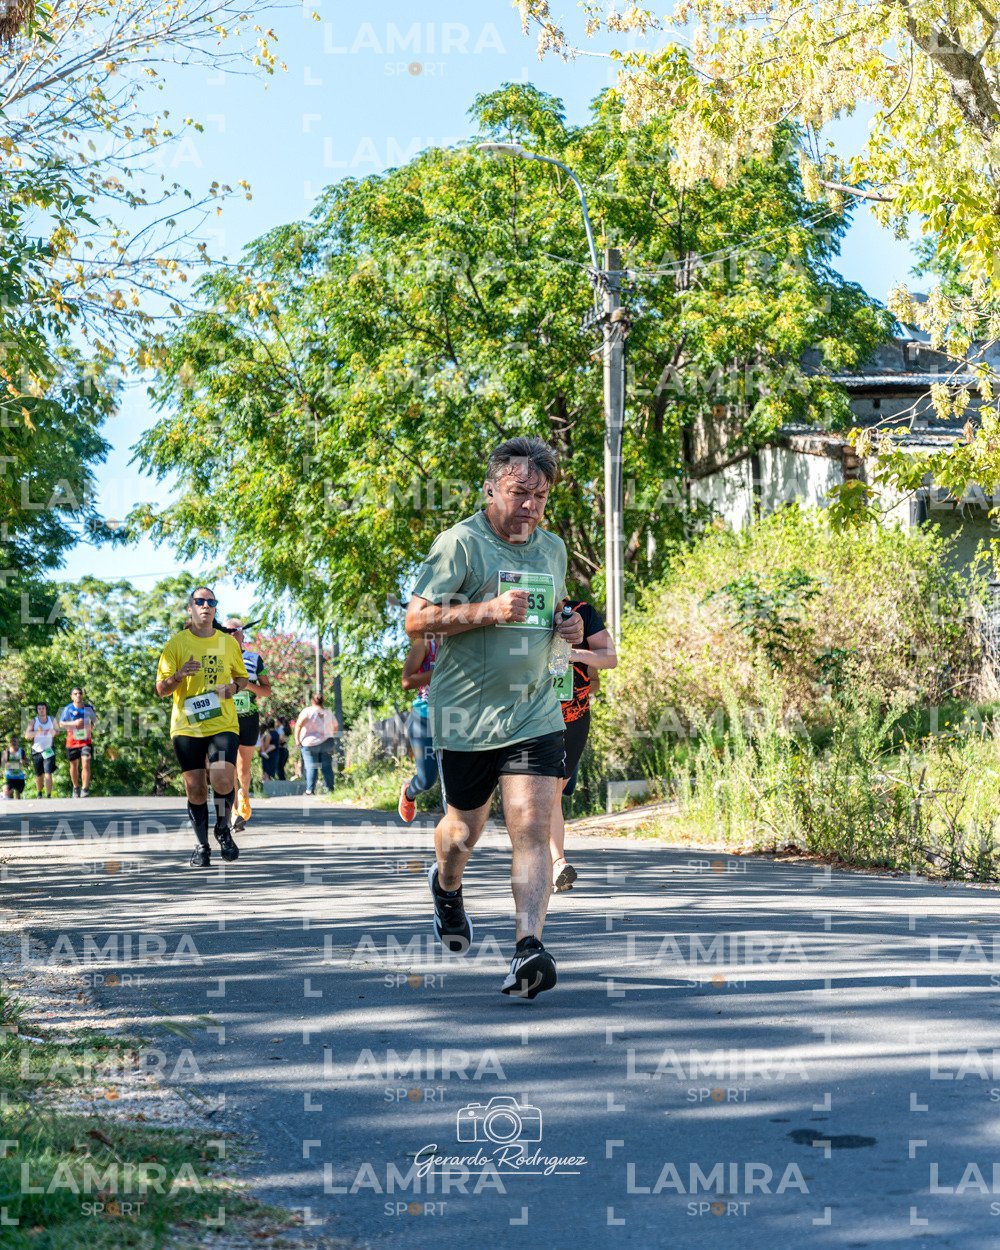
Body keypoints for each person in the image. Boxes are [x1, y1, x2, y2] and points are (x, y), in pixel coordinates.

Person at [404, 435, 583, 1000]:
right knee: (463, 833)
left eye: (541, 495)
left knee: (530, 826)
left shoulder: (552, 549)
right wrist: (486, 610)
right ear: (491, 488)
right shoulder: (460, 544)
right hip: (465, 716)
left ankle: (528, 947)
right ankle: (447, 885)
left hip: (534, 711)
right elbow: (417, 621)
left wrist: (568, 631)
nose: (530, 504)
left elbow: (550, 617)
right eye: (518, 492)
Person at [155, 587, 249, 867]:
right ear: (190, 608)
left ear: (215, 609)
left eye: (211, 602)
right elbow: (160, 689)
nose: (206, 606)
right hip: (187, 725)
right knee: (195, 788)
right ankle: (201, 845)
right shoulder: (176, 644)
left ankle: (222, 828)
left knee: (222, 778)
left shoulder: (227, 643)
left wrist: (233, 687)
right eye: (200, 602)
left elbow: (242, 679)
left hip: (222, 721)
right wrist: (179, 675)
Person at [549, 599, 617, 891]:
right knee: (549, 793)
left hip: (574, 717)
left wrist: (575, 654)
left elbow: (610, 657)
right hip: (531, 715)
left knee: (555, 792)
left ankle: (550, 862)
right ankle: (557, 864)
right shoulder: (520, 608)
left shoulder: (582, 610)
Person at [223, 617, 272, 833]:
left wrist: (248, 685)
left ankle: (244, 796)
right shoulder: (216, 658)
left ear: (243, 634)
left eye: (236, 631)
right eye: (228, 631)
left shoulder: (254, 659)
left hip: (248, 717)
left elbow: (267, 690)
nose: (232, 634)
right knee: (228, 766)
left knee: (243, 767)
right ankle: (235, 812)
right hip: (224, 717)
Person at [397, 632, 440, 823]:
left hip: (459, 717)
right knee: (427, 779)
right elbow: (406, 681)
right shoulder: (424, 643)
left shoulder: (464, 641)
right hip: (425, 717)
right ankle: (409, 791)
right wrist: (439, 672)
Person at [294, 695, 339, 796]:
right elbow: (336, 726)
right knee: (326, 766)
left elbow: (299, 725)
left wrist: (297, 740)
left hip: (309, 743)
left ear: (312, 701)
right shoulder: (328, 713)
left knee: (311, 766)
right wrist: (331, 734)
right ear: (323, 702)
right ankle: (330, 790)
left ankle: (310, 790)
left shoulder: (307, 711)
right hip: (327, 741)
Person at [60, 686, 97, 798]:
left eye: (80, 693)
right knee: (74, 765)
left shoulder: (88, 708)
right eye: (75, 694)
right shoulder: (68, 709)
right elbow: (61, 724)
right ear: (72, 696)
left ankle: (85, 789)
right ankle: (76, 787)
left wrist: (90, 727)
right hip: (72, 741)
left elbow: (95, 722)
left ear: (82, 695)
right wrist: (74, 723)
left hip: (86, 741)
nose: (78, 695)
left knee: (86, 762)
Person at [25, 702, 58, 798]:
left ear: (46, 709)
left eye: (43, 708)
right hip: (36, 750)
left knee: (48, 771)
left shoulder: (52, 720)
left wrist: (54, 732)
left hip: (48, 750)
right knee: (39, 774)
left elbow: (57, 732)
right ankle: (39, 792)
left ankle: (48, 794)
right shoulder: (34, 721)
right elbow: (27, 736)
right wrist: (37, 732)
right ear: (37, 710)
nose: (41, 710)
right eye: (39, 709)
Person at [2, 734, 26, 799]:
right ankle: (11, 806)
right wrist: (18, 764)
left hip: (19, 776)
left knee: (18, 792)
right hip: (10, 776)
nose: (13, 743)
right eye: (12, 741)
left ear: (18, 742)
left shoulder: (21, 751)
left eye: (15, 741)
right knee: (10, 791)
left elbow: (27, 762)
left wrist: (24, 762)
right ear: (9, 743)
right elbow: (4, 764)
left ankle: (18, 806)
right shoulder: (6, 752)